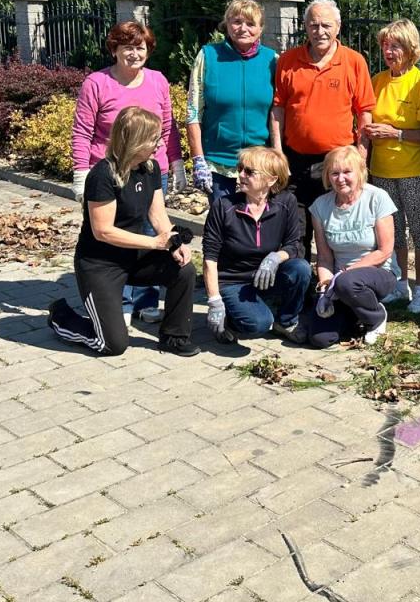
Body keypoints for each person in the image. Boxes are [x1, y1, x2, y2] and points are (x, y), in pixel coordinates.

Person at [49, 106, 199, 357]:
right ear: (135, 141)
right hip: (100, 264)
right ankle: (61, 317)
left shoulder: (150, 168)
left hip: (134, 257)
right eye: (154, 139)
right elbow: (103, 232)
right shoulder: (102, 175)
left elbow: (158, 216)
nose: (160, 143)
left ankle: (174, 338)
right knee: (112, 344)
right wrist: (154, 243)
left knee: (184, 269)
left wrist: (174, 243)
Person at [71, 20, 185, 327]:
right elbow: (82, 132)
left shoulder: (158, 81)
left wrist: (176, 162)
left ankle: (146, 299)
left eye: (140, 47)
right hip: (112, 174)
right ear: (115, 50)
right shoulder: (97, 83)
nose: (135, 54)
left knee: (151, 232)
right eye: (127, 47)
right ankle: (119, 299)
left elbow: (168, 127)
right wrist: (81, 173)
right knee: (116, 234)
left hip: (151, 170)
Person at [270, 0, 376, 252]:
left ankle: (334, 277)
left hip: (336, 164)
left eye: (326, 25)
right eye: (314, 25)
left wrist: (361, 159)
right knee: (296, 232)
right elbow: (278, 109)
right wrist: (277, 152)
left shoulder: (354, 61)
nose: (320, 31)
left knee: (337, 232)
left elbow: (364, 113)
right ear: (305, 27)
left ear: (338, 27)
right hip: (295, 161)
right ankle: (301, 277)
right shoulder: (288, 60)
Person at [363, 18, 420, 314]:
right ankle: (400, 284)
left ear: (410, 49)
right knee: (393, 233)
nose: (388, 51)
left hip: (414, 172)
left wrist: (395, 133)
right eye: (385, 45)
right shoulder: (377, 80)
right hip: (381, 171)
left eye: (395, 46)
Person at [202, 146, 312, 343]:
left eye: (249, 171)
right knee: (258, 324)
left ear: (271, 180)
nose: (241, 175)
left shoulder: (286, 202)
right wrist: (214, 301)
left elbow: (293, 244)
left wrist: (275, 257)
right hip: (233, 281)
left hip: (266, 276)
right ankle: (230, 317)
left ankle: (286, 321)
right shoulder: (224, 206)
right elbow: (210, 257)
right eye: (240, 169)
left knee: (300, 269)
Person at [186, 0, 279, 203]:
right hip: (218, 162)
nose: (243, 28)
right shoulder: (208, 56)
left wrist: (277, 154)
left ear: (261, 29)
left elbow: (278, 112)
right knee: (223, 219)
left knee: (258, 219)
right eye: (237, 22)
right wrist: (198, 159)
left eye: (250, 23)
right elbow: (193, 111)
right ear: (227, 24)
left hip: (259, 162)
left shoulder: (272, 60)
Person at [307, 145, 400, 348]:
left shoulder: (377, 197)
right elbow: (324, 258)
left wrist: (344, 274)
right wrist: (325, 289)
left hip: (378, 273)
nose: (340, 179)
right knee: (320, 339)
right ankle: (355, 314)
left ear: (360, 172)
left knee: (348, 282)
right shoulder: (320, 206)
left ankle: (376, 316)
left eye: (347, 172)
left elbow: (384, 251)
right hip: (340, 283)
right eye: (334, 173)